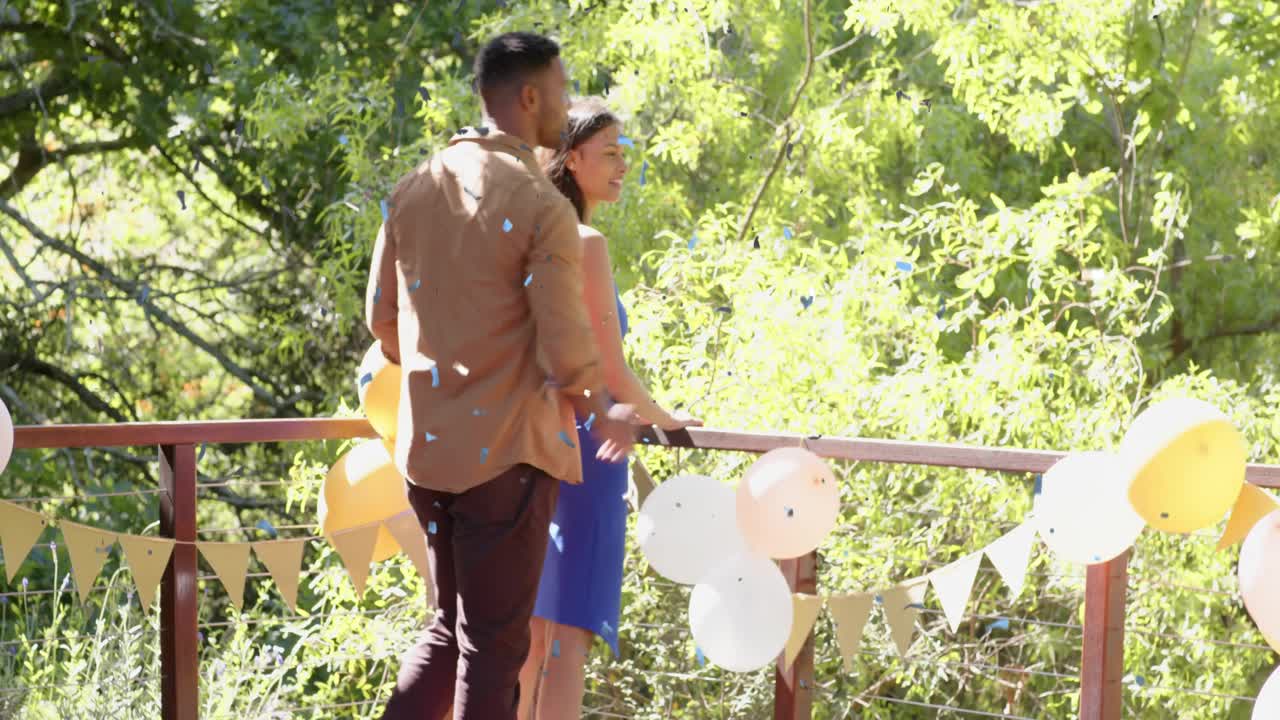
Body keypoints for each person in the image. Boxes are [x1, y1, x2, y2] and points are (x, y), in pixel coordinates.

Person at [367, 32, 640, 720]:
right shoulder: (543, 205)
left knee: (447, 633)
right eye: (560, 87)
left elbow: (382, 321)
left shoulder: (414, 187)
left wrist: (452, 370)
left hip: (426, 454)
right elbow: (566, 347)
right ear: (529, 97)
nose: (565, 99)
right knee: (494, 650)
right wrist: (603, 410)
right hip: (505, 461)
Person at [515, 97, 704, 719]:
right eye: (611, 153)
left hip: (532, 446)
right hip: (592, 448)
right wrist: (666, 418)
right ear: (572, 160)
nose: (623, 164)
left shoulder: (531, 233)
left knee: (533, 635)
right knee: (570, 633)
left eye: (624, 152)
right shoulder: (584, 241)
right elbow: (611, 368)